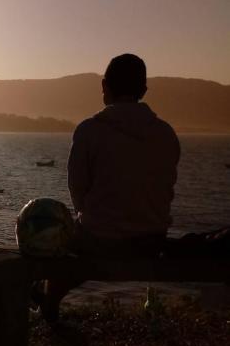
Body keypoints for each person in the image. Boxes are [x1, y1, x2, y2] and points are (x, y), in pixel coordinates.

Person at [37, 53, 180, 323]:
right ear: (144, 91)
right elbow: (167, 188)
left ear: (104, 86)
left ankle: (48, 303)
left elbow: (77, 189)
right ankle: (46, 299)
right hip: (152, 240)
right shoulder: (167, 134)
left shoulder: (89, 131)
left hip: (100, 239)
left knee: (54, 238)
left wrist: (93, 216)